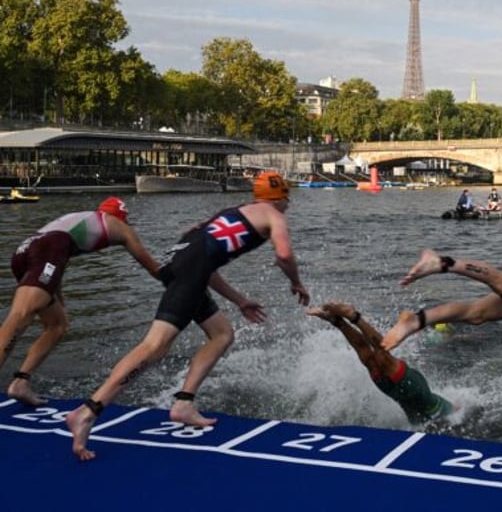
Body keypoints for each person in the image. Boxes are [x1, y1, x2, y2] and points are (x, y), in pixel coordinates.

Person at [66, 171, 310, 461]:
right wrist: (295, 281)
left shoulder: (232, 213)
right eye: (288, 199)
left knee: (222, 334)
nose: (289, 206)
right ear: (280, 197)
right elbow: (283, 255)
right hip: (189, 273)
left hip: (179, 265)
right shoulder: (274, 216)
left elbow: (202, 260)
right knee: (154, 347)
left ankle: (183, 403)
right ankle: (88, 411)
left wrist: (240, 300)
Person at [0, 197, 161, 406]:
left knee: (57, 325)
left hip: (25, 251)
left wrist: (56, 294)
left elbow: (56, 254)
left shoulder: (78, 219)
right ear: (122, 217)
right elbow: (151, 265)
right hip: (47, 251)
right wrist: (180, 276)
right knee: (19, 317)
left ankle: (20, 382)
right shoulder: (119, 226)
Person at [307, 302, 453, 424]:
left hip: (393, 390)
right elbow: (457, 411)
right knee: (381, 354)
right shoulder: (451, 414)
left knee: (369, 359)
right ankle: (354, 316)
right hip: (411, 386)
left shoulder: (436, 417)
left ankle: (336, 320)